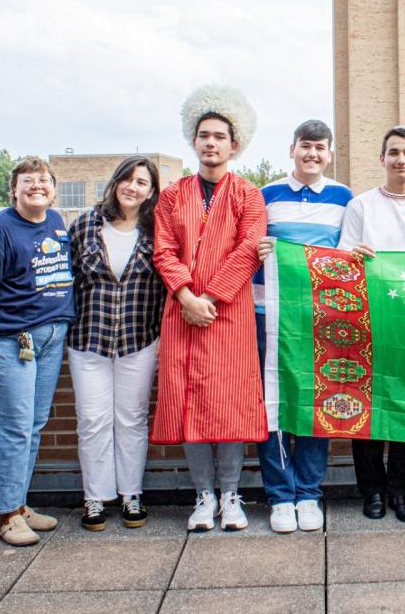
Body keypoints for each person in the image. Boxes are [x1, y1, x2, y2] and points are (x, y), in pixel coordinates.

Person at [151, 85, 268, 532]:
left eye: (220, 136)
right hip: (182, 312)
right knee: (189, 402)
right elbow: (163, 250)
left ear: (234, 144)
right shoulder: (172, 195)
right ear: (193, 140)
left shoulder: (248, 195)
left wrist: (212, 298)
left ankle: (231, 494)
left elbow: (249, 250)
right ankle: (203, 496)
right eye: (204, 135)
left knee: (230, 402)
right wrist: (185, 296)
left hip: (229, 312)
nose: (211, 142)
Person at [0, 156, 75, 546]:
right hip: (6, 341)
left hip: (47, 340)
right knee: (10, 429)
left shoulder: (56, 222)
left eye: (44, 180)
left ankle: (19, 503)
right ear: (14, 188)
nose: (37, 186)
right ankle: (8, 515)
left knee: (32, 426)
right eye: (28, 181)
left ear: (54, 188)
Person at [337, 125, 405, 522]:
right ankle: (372, 491)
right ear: (381, 159)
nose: (401, 159)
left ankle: (402, 491)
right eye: (394, 152)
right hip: (370, 317)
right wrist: (355, 252)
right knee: (368, 405)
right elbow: (340, 254)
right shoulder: (361, 206)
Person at [254, 119, 354, 533]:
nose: (312, 154)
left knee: (317, 401)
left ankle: (309, 492)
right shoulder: (266, 196)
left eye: (320, 147)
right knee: (271, 402)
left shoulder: (344, 198)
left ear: (330, 154)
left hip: (321, 317)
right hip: (268, 315)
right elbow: (247, 246)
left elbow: (346, 255)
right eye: (305, 146)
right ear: (291, 149)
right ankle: (280, 495)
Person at [67, 156, 165, 531]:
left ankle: (131, 494)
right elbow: (66, 281)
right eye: (127, 179)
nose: (133, 187)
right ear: (115, 183)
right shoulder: (85, 225)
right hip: (88, 339)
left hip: (139, 339)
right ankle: (95, 498)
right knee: (92, 420)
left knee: (132, 419)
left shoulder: (156, 231)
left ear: (151, 192)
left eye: (142, 182)